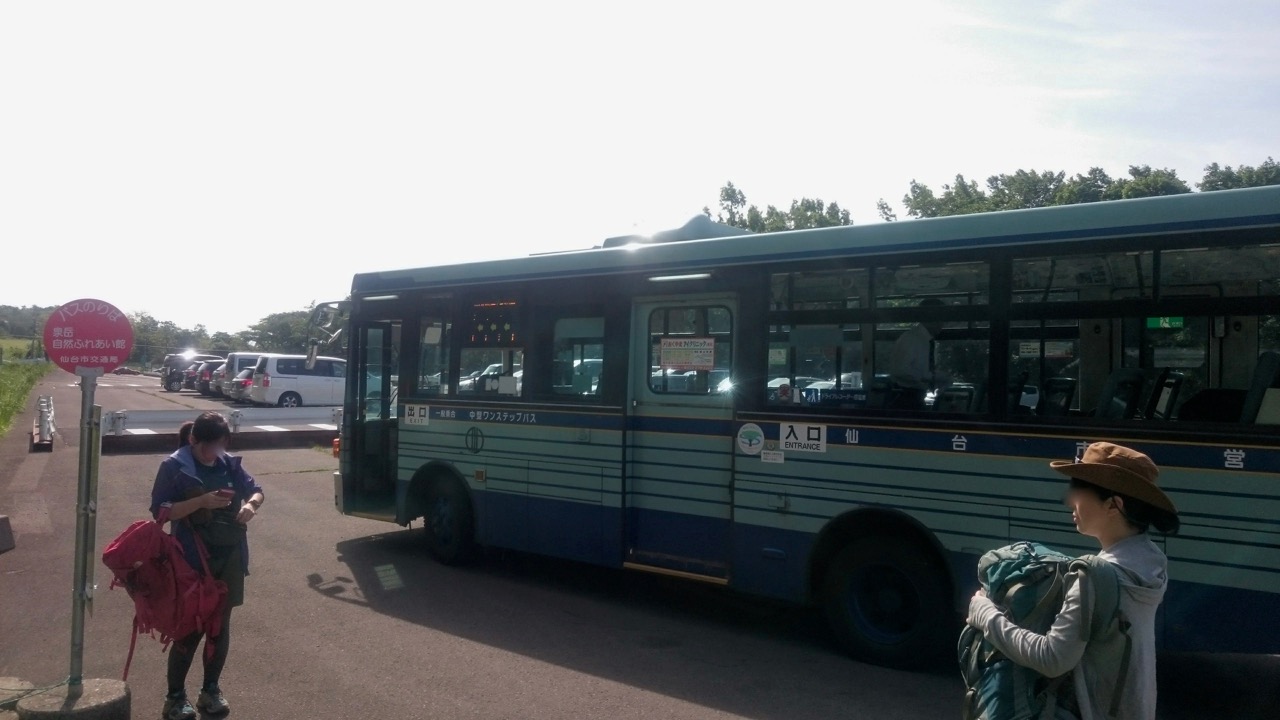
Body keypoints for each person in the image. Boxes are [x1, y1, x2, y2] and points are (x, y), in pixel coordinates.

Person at [966, 442, 1181, 720]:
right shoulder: (1152, 562)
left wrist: (985, 614)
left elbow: (1052, 658)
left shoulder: (1095, 575)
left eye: (1078, 491)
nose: (1069, 501)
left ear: (1114, 504)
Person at [150, 411, 265, 719]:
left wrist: (250, 505)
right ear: (193, 439)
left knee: (219, 627)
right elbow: (160, 511)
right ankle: (175, 698)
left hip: (230, 557)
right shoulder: (174, 467)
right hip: (191, 559)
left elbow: (256, 490)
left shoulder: (229, 464)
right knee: (190, 628)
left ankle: (210, 691)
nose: (214, 451)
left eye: (220, 444)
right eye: (208, 446)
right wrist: (200, 502)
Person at [888, 297, 946, 408]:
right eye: (941, 318)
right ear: (932, 318)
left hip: (917, 396)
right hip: (905, 397)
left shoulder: (928, 341)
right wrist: (929, 378)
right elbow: (899, 371)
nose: (943, 324)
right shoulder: (910, 339)